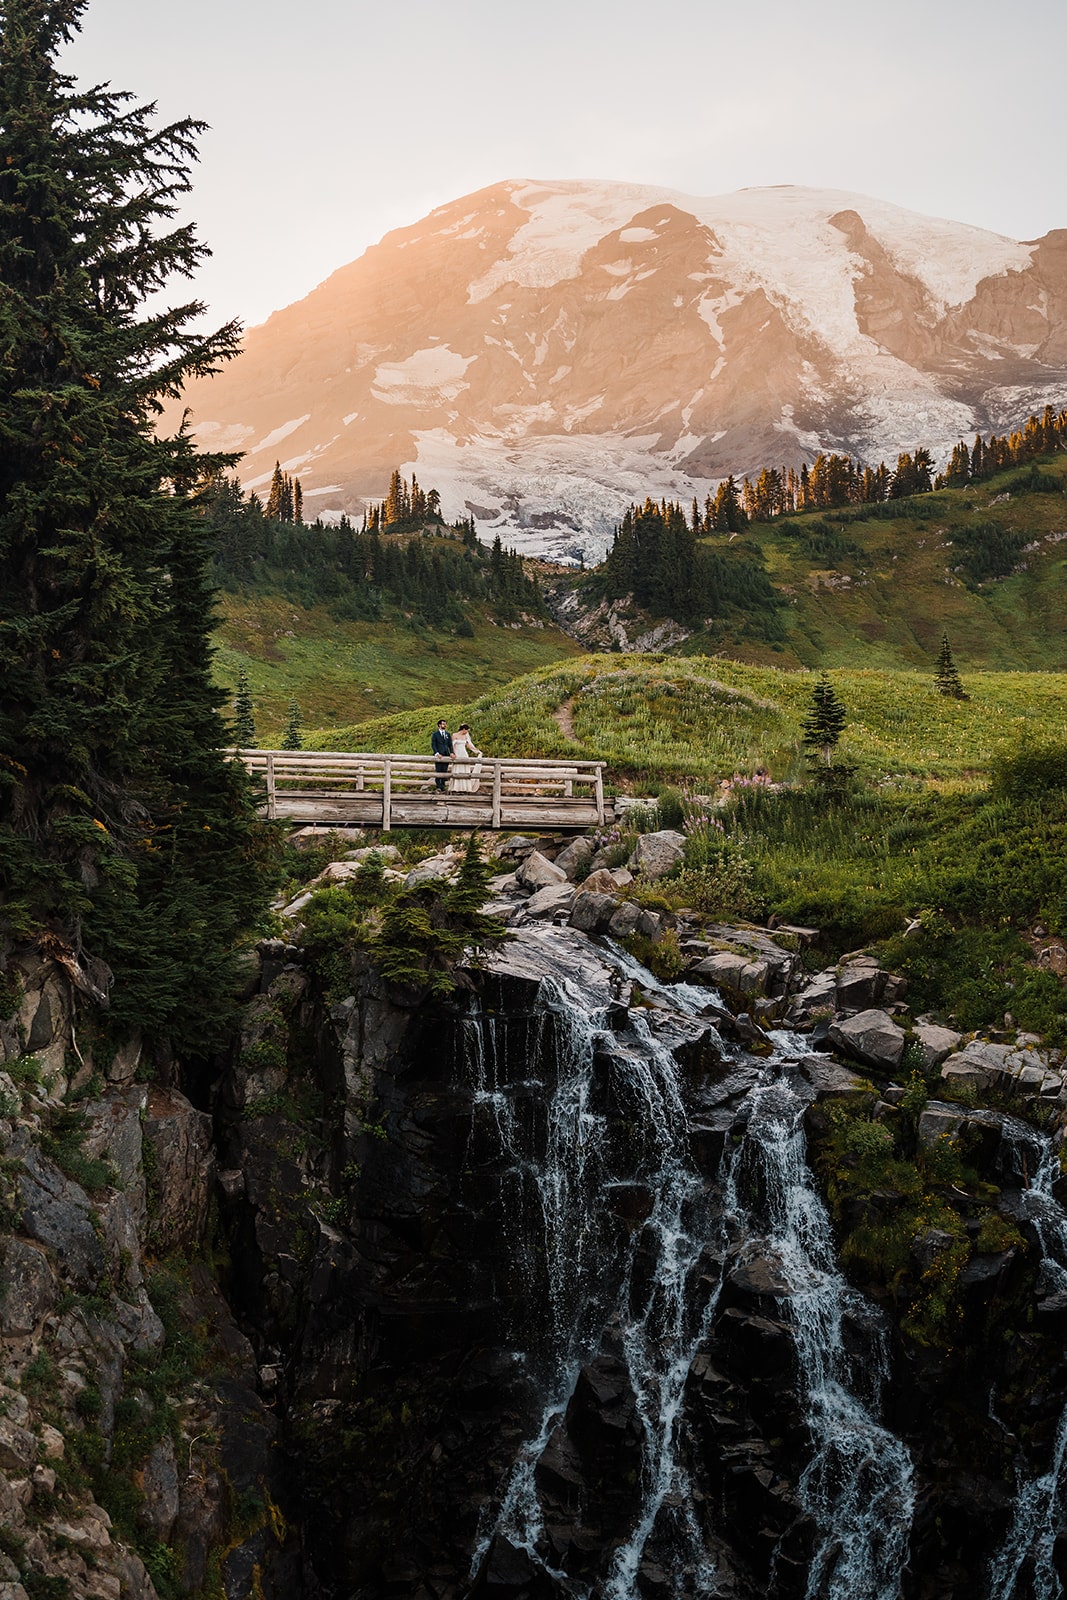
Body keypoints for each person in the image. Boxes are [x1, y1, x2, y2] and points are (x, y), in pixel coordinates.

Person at [450, 724, 483, 792]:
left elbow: (468, 745)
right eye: (467, 730)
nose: (467, 732)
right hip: (458, 753)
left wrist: (477, 750)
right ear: (464, 729)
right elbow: (452, 746)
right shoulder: (454, 735)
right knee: (458, 769)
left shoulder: (465, 736)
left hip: (464, 754)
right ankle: (456, 787)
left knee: (465, 769)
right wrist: (453, 753)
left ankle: (465, 787)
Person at [431, 719, 453, 792]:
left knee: (444, 770)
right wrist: (437, 753)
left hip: (446, 754)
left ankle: (443, 786)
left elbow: (450, 745)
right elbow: (433, 744)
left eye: (445, 724)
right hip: (438, 755)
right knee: (438, 770)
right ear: (439, 725)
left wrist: (451, 753)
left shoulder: (448, 734)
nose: (444, 725)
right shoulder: (435, 734)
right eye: (443, 724)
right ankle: (438, 786)